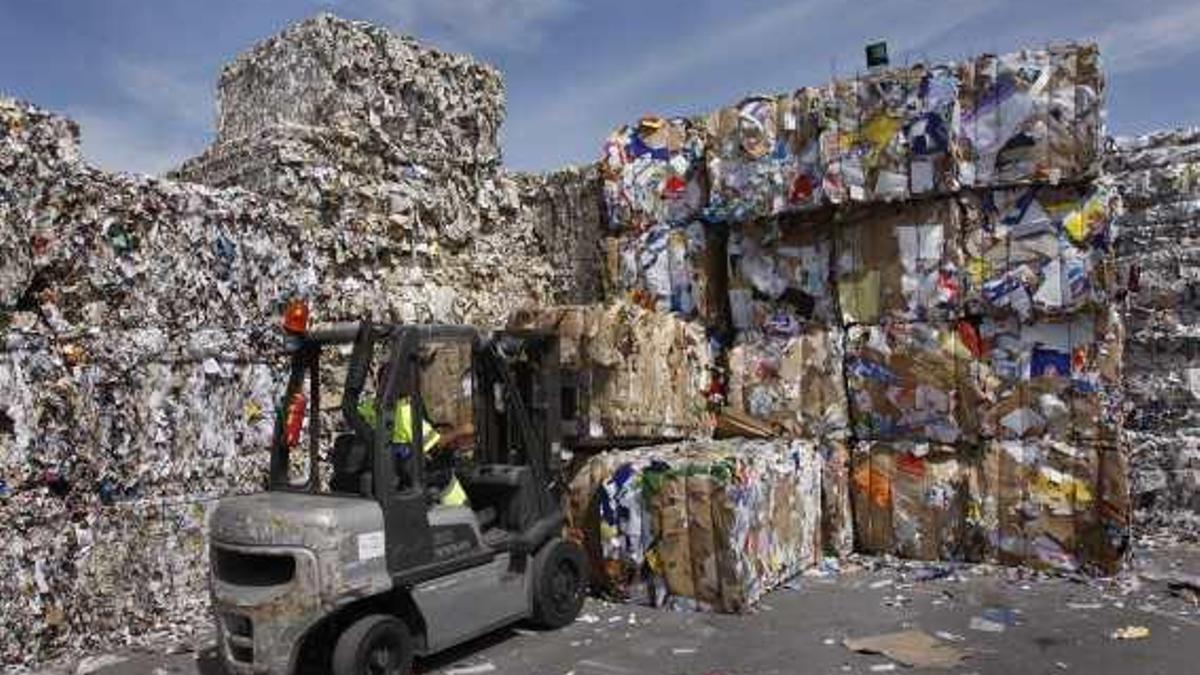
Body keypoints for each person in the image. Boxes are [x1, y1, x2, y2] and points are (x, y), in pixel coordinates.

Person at [356, 396, 468, 507]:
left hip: (385, 466)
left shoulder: (368, 406)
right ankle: (461, 509)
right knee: (445, 476)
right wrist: (462, 431)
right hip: (405, 471)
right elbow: (434, 445)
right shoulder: (405, 413)